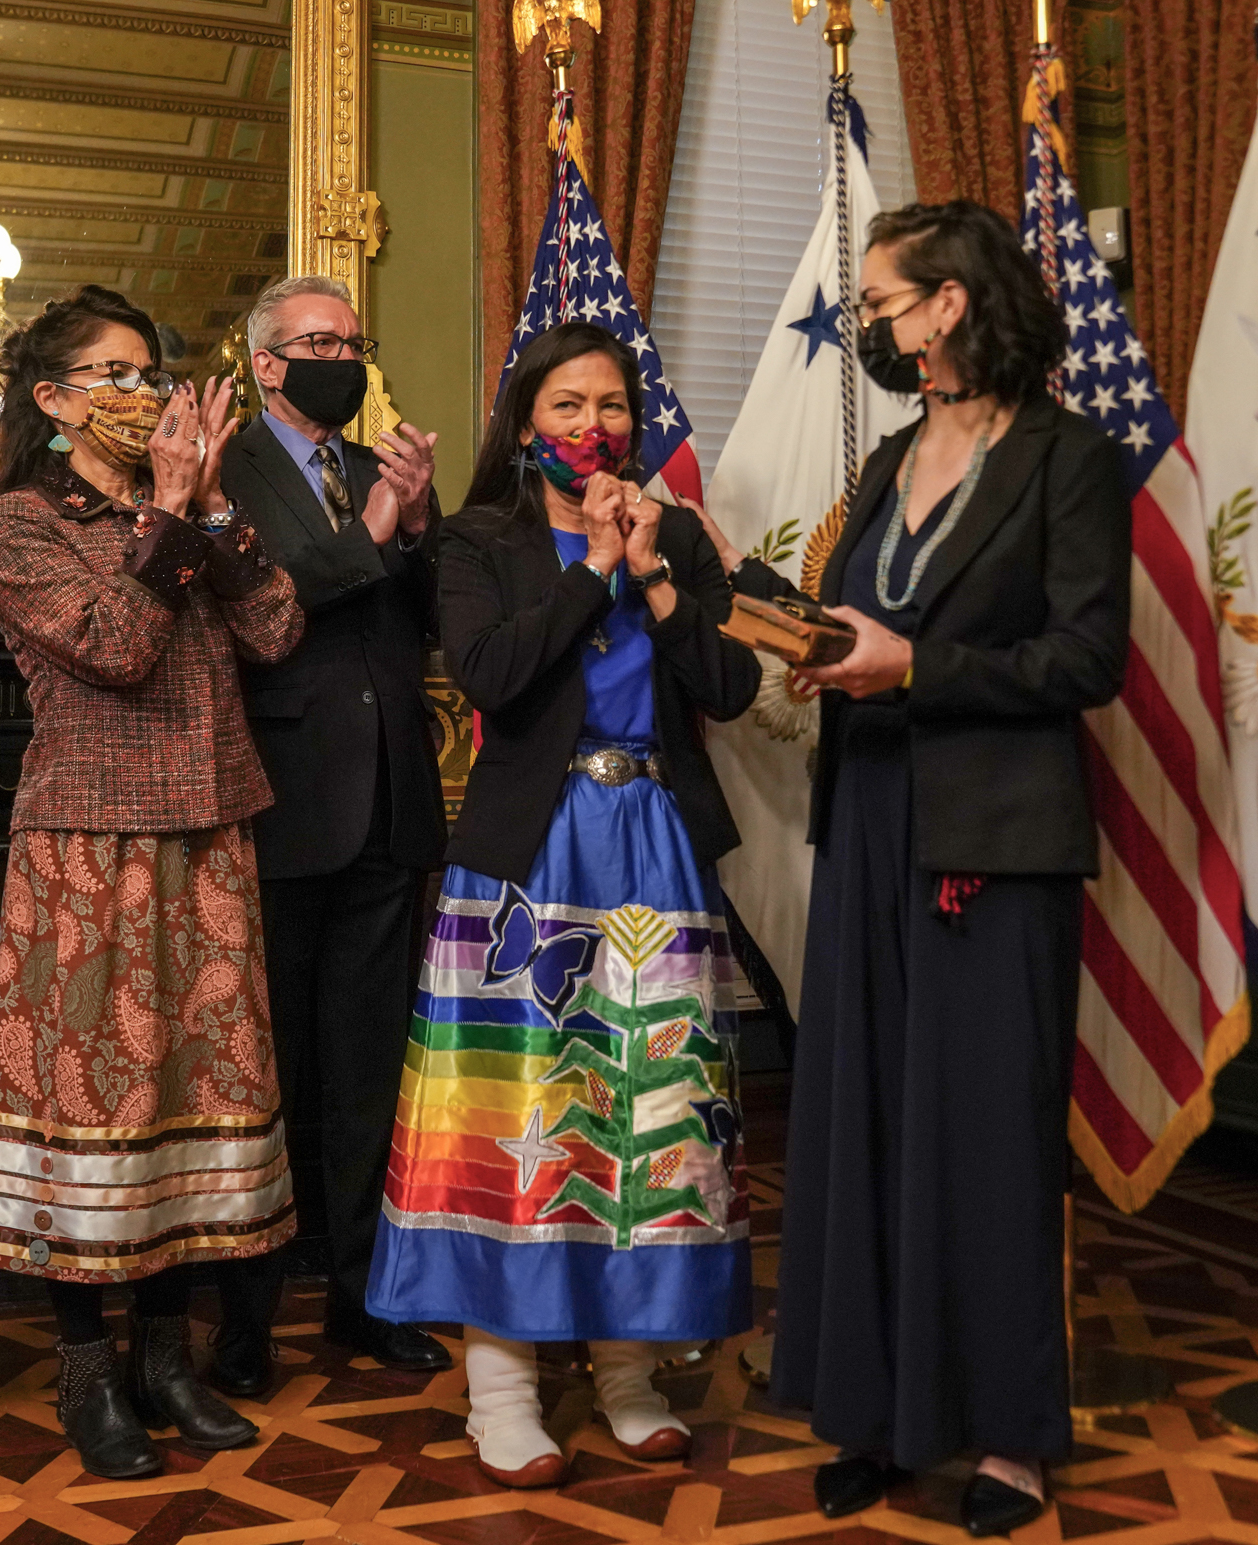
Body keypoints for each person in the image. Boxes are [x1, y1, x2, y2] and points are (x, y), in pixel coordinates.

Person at [687, 201, 1129, 1536]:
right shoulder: (883, 463)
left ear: (951, 303)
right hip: (872, 818)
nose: (869, 324)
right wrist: (762, 598)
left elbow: (1085, 659)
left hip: (996, 843)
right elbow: (858, 625)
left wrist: (916, 667)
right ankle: (872, 1410)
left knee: (988, 1137)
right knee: (864, 1120)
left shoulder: (1070, 458)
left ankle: (1006, 1438)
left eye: (882, 302)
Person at [365, 321, 759, 1484]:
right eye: (566, 407)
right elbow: (489, 674)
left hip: (656, 846)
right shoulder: (479, 537)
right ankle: (502, 1388)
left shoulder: (673, 534)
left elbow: (729, 687)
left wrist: (649, 571)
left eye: (611, 407)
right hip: (527, 858)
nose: (593, 428)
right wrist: (590, 571)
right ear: (524, 420)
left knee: (648, 1110)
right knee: (520, 1114)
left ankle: (629, 1374)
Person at [0, 285, 304, 1479]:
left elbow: (272, 634)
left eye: (152, 371)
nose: (144, 393)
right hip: (89, 844)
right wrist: (168, 513)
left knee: (186, 1099)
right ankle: (85, 1368)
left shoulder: (191, 506)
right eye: (114, 374)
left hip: (207, 830)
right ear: (54, 399)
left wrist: (209, 512)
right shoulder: (16, 523)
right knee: (91, 1107)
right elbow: (112, 646)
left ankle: (167, 1356)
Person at [209, 276, 451, 1392]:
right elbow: (257, 611)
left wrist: (420, 518)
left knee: (367, 1080)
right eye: (318, 342)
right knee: (265, 1078)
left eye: (353, 340)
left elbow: (429, 618)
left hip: (389, 808)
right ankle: (244, 1323)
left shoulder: (375, 468)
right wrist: (372, 530)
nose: (341, 358)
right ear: (266, 363)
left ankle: (364, 1301)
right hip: (276, 805)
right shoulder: (224, 467)